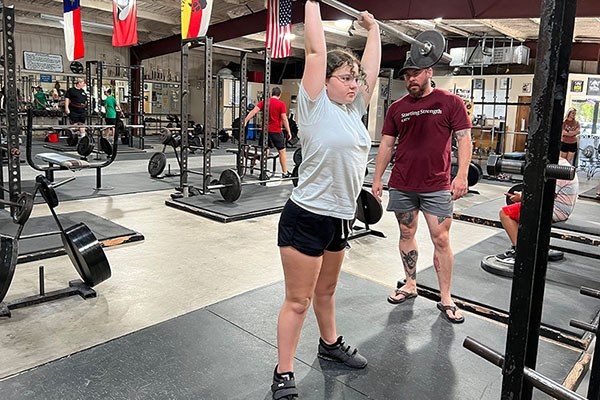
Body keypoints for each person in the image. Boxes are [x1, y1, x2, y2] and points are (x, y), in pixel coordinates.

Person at [271, 1, 380, 399]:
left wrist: (373, 30)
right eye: (345, 78)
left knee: (327, 292)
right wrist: (312, 4)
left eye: (355, 79)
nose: (354, 84)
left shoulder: (355, 112)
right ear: (326, 81)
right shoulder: (314, 105)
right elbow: (316, 51)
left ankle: (329, 344)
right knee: (297, 301)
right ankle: (284, 373)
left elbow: (371, 71)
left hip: (339, 218)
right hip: (306, 217)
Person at [371, 56, 472, 324]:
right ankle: (410, 284)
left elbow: (464, 139)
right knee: (406, 232)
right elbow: (387, 144)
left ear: (428, 72)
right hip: (403, 182)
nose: (410, 80)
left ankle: (446, 297)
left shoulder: (450, 102)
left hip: (437, 184)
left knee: (441, 238)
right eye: (406, 76)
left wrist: (461, 175)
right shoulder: (397, 108)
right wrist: (378, 177)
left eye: (415, 74)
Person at [496, 157, 579, 265]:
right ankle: (532, 246)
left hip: (556, 210)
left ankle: (520, 251)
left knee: (505, 213)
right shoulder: (560, 163)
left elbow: (545, 194)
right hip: (556, 207)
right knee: (518, 209)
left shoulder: (558, 168)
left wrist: (521, 197)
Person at [243, 87, 292, 178]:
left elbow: (254, 111)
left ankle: (262, 171)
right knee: (282, 152)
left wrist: (245, 120)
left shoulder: (265, 102)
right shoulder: (281, 104)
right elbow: (284, 118)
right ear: (279, 95)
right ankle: (285, 173)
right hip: (276, 131)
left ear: (271, 94)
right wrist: (289, 131)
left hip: (265, 131)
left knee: (264, 151)